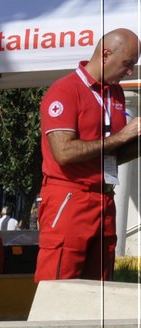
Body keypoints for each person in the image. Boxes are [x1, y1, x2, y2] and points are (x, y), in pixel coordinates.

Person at [36, 28, 141, 281]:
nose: (130, 72)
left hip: (104, 198)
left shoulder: (113, 92)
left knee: (99, 289)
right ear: (105, 54)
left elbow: (111, 153)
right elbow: (64, 152)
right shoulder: (65, 90)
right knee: (59, 284)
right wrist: (122, 136)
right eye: (127, 64)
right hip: (70, 197)